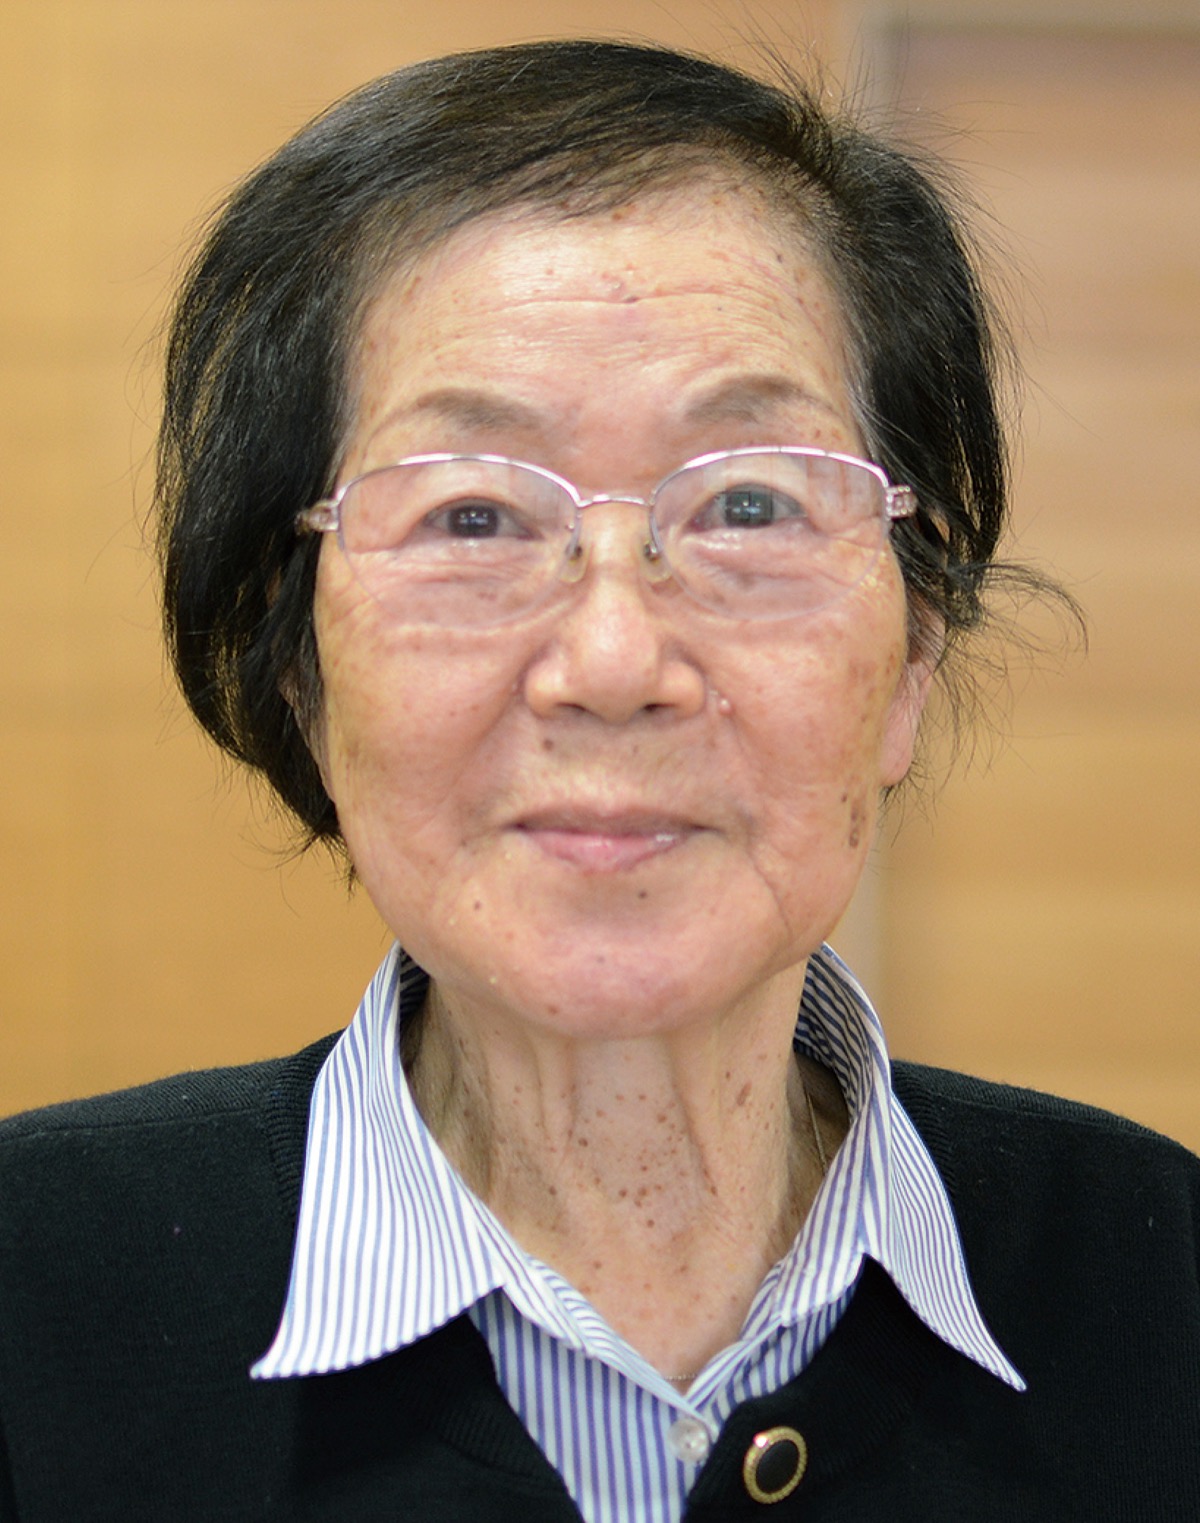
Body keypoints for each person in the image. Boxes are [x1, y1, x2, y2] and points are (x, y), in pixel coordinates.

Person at [0, 37, 1196, 1523]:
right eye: (473, 518)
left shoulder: (1156, 1285)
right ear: (298, 667)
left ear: (912, 660)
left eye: (749, 504)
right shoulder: (36, 1300)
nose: (616, 660)